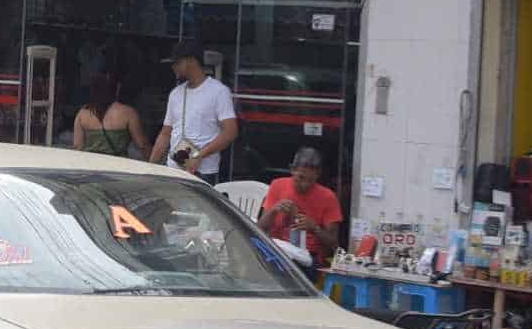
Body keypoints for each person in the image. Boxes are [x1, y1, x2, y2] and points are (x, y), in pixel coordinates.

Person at [148, 43, 238, 180]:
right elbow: (165, 133)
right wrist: (150, 167)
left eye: (177, 63)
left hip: (203, 171)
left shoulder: (219, 91)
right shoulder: (176, 93)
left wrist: (200, 155)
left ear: (191, 60)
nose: (173, 67)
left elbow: (230, 132)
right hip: (173, 168)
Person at [259, 146, 345, 260]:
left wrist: (314, 228)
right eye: (300, 178)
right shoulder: (277, 185)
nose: (304, 184)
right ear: (292, 170)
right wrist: (274, 210)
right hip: (277, 249)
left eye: (310, 180)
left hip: (308, 256)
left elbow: (334, 244)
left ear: (318, 175)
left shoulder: (328, 197)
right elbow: (260, 228)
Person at [72, 73, 144, 159]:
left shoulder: (82, 114)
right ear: (117, 89)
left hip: (91, 166)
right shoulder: (128, 113)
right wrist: (154, 164)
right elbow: (142, 145)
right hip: (118, 167)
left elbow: (77, 147)